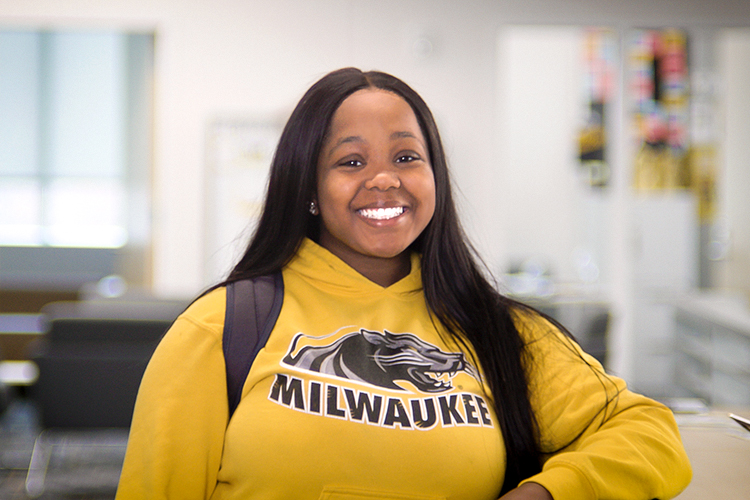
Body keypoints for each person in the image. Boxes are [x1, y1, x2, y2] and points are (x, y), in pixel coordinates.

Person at [116, 68, 691, 500]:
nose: (385, 178)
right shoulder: (222, 328)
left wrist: (547, 492)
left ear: (433, 177)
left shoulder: (497, 331)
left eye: (407, 157)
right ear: (309, 189)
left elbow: (647, 430)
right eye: (351, 162)